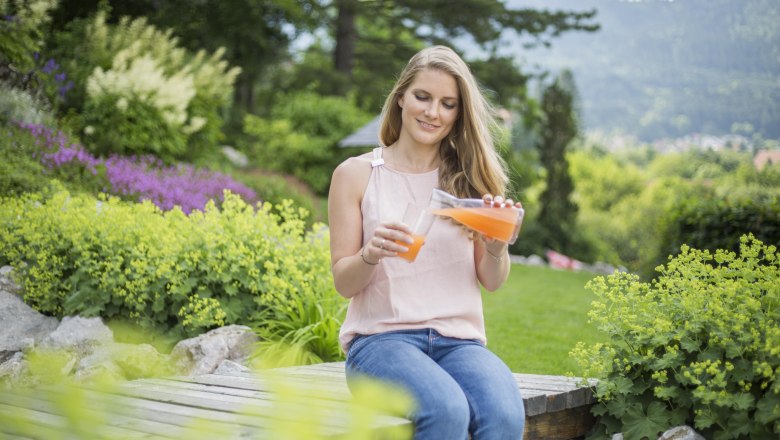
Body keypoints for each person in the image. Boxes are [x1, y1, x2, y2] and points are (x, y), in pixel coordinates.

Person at [328, 45, 525, 439]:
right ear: (401, 97)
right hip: (381, 343)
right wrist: (370, 254)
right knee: (446, 410)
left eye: (448, 104)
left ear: (458, 114)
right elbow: (343, 282)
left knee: (505, 414)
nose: (433, 112)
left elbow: (492, 279)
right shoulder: (356, 174)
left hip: (459, 343)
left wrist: (497, 245)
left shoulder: (469, 182)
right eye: (423, 97)